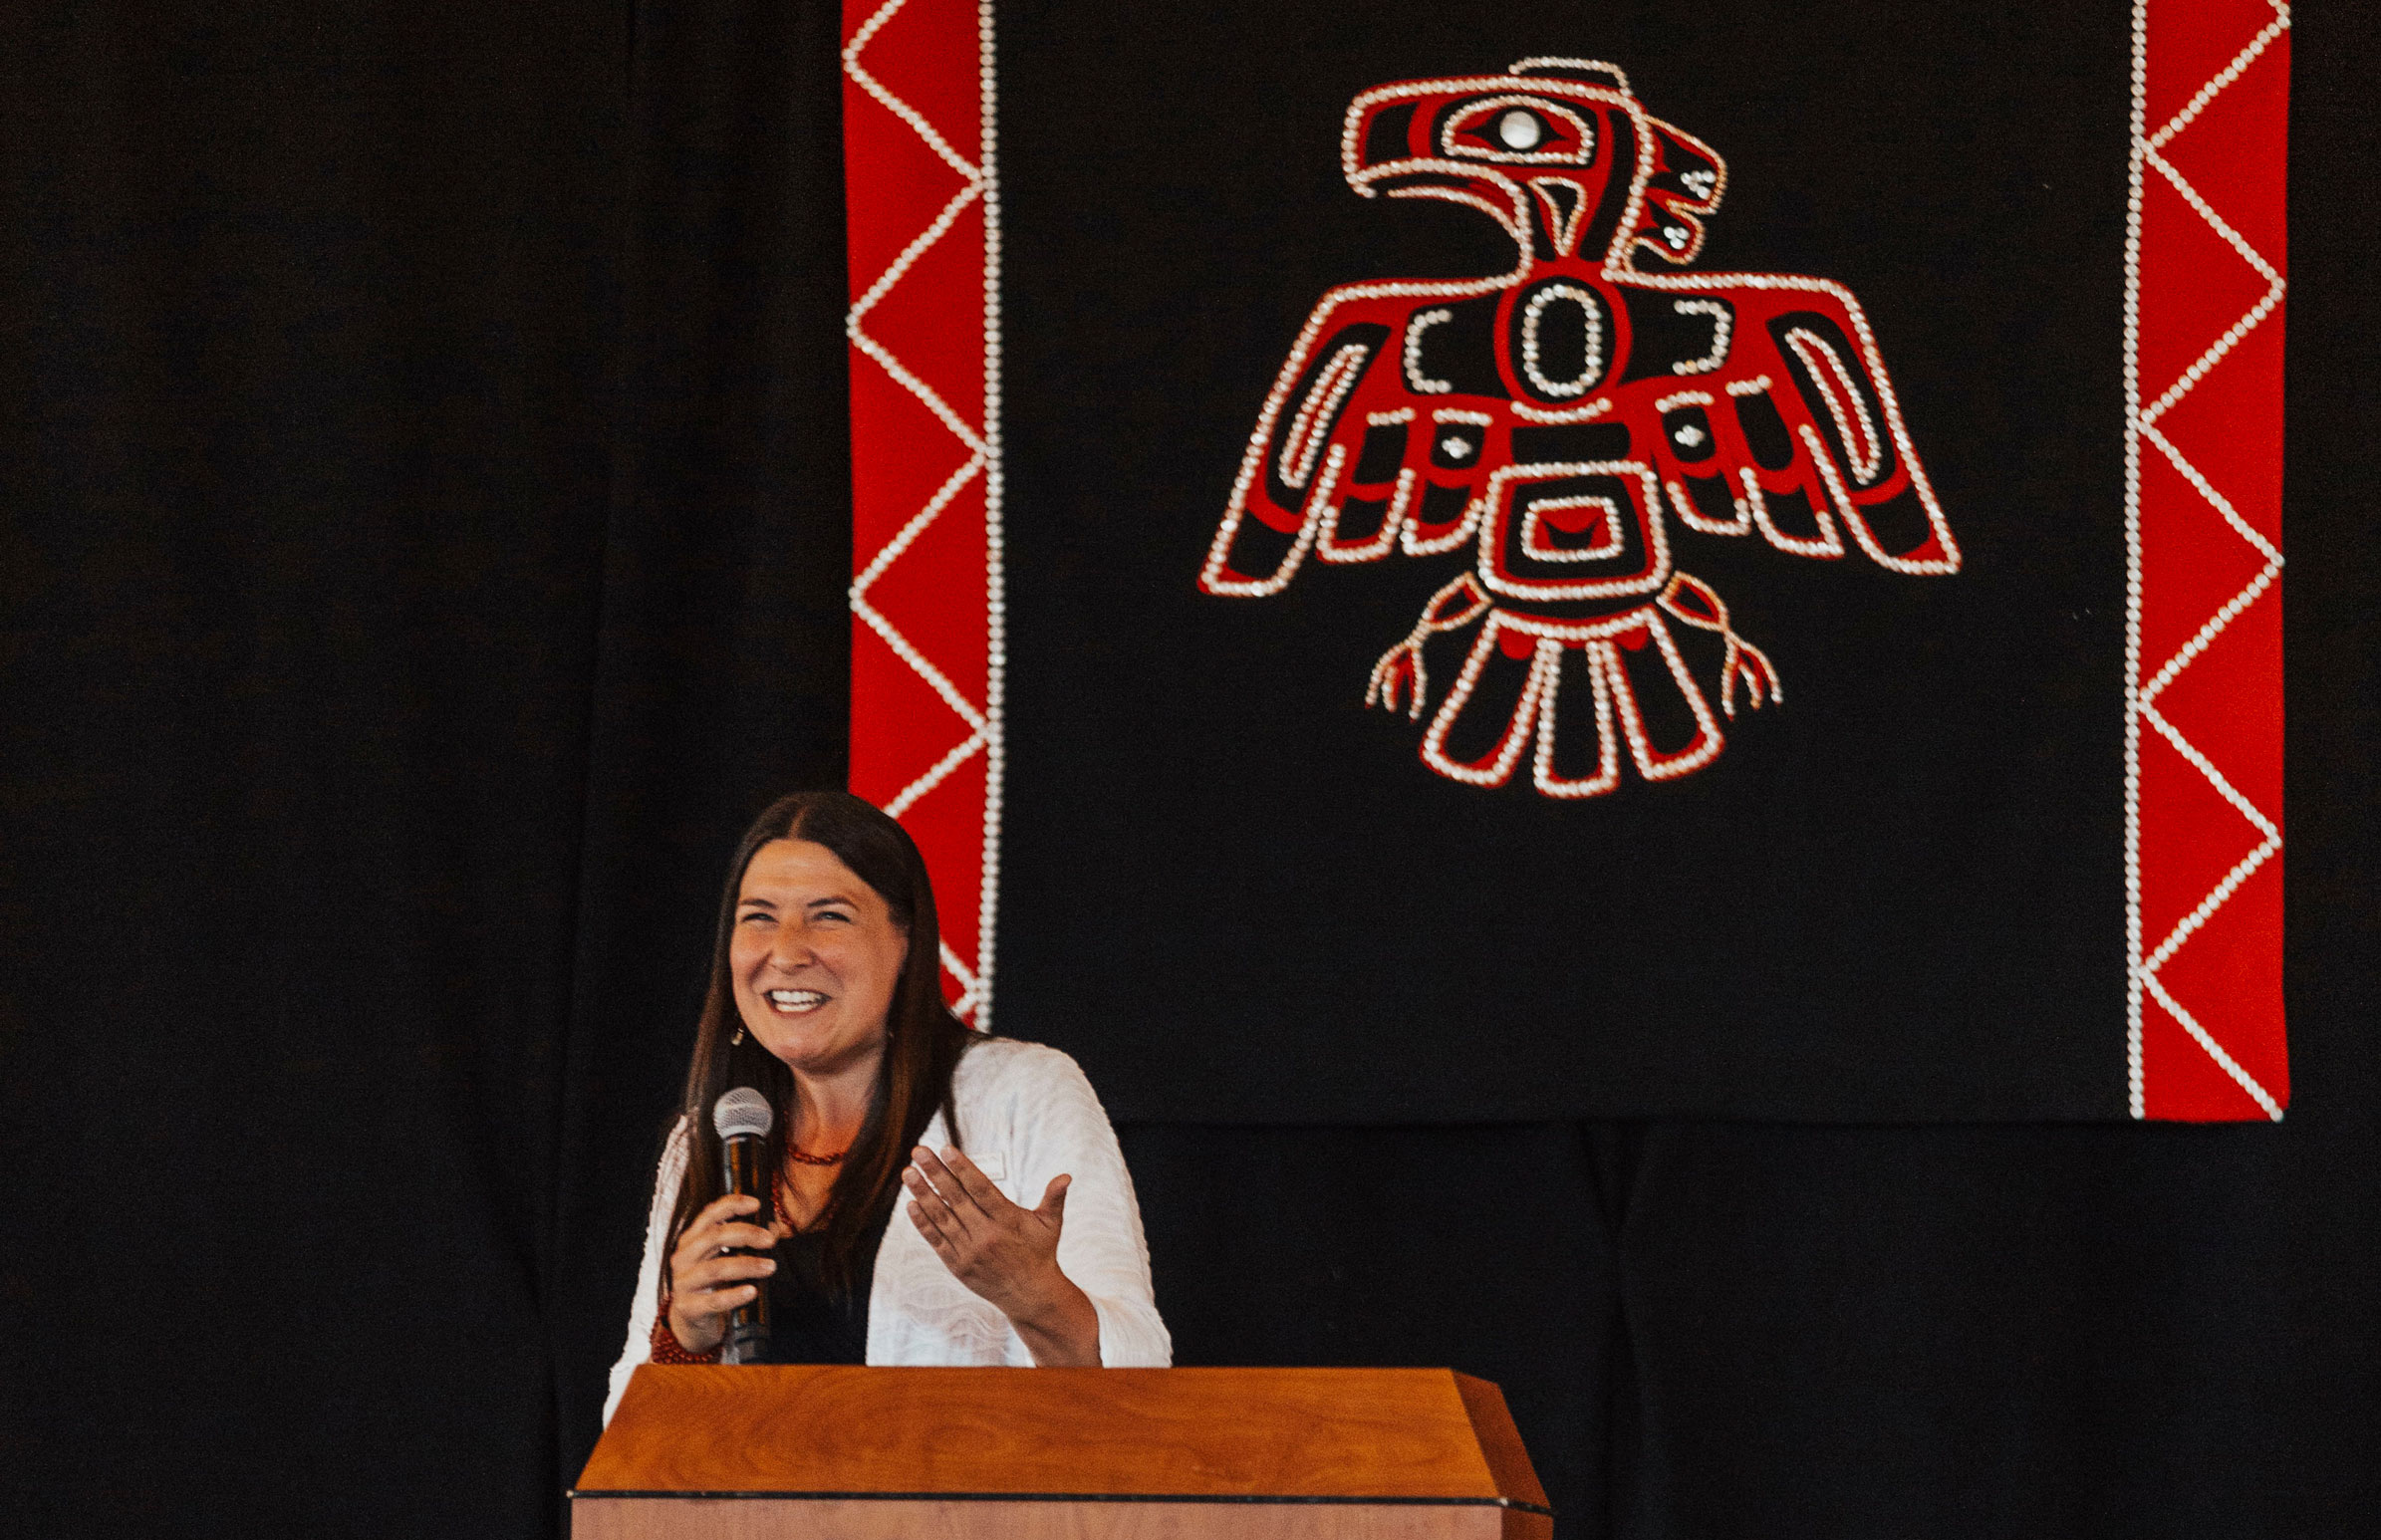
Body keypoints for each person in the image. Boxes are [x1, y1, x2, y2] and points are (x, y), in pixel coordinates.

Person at [604, 791, 1169, 1423]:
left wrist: (1035, 1296)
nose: (786, 952)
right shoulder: (707, 1138)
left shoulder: (1021, 1092)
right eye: (758, 917)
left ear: (904, 942)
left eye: (829, 917)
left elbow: (1142, 1386)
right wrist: (683, 1336)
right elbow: (625, 1444)